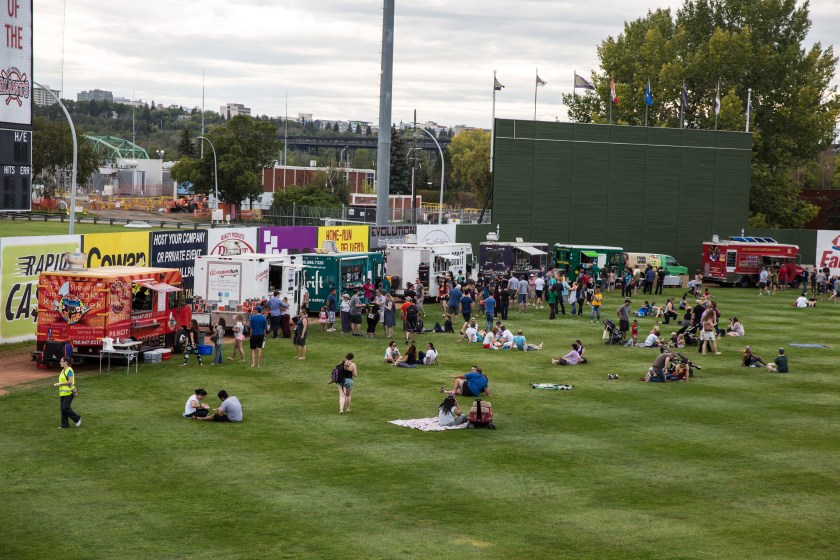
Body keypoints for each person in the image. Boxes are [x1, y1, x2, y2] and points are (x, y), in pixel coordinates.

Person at [54, 356, 81, 429]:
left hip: (70, 392)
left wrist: (60, 384)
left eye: (61, 361)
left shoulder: (69, 370)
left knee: (65, 408)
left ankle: (77, 418)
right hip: (63, 393)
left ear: (66, 362)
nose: (60, 362)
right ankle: (65, 425)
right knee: (62, 409)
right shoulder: (63, 370)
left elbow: (70, 382)